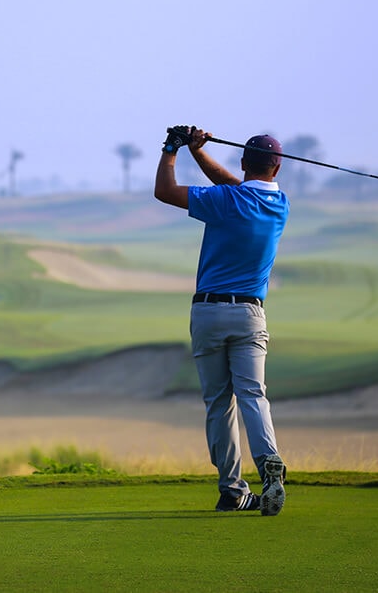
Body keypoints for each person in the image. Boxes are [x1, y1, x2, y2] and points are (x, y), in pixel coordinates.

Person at [154, 125, 288, 516]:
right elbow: (239, 186)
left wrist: (172, 148)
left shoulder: (225, 200)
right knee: (252, 394)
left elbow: (165, 191)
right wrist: (198, 151)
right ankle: (269, 464)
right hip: (250, 313)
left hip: (208, 312)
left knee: (218, 403)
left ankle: (231, 489)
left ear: (244, 162)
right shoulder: (280, 206)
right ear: (277, 169)